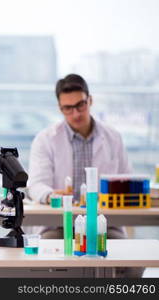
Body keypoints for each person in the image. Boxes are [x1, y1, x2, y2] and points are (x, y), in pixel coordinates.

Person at [28, 74, 143, 277]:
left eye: (80, 105)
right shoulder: (46, 140)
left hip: (105, 226)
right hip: (58, 226)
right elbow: (36, 184)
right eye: (68, 108)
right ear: (60, 109)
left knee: (134, 263)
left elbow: (125, 180)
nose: (75, 113)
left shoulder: (113, 138)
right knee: (44, 264)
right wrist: (51, 194)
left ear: (90, 100)